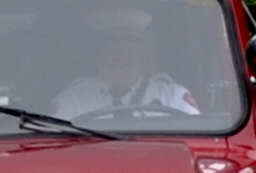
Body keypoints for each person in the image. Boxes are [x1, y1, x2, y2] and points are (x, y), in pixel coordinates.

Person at [51, 29, 200, 120]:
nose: (119, 55)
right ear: (98, 56)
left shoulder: (172, 97)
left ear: (144, 56)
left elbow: (198, 136)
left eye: (128, 48)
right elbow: (55, 145)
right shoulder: (74, 99)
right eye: (111, 48)